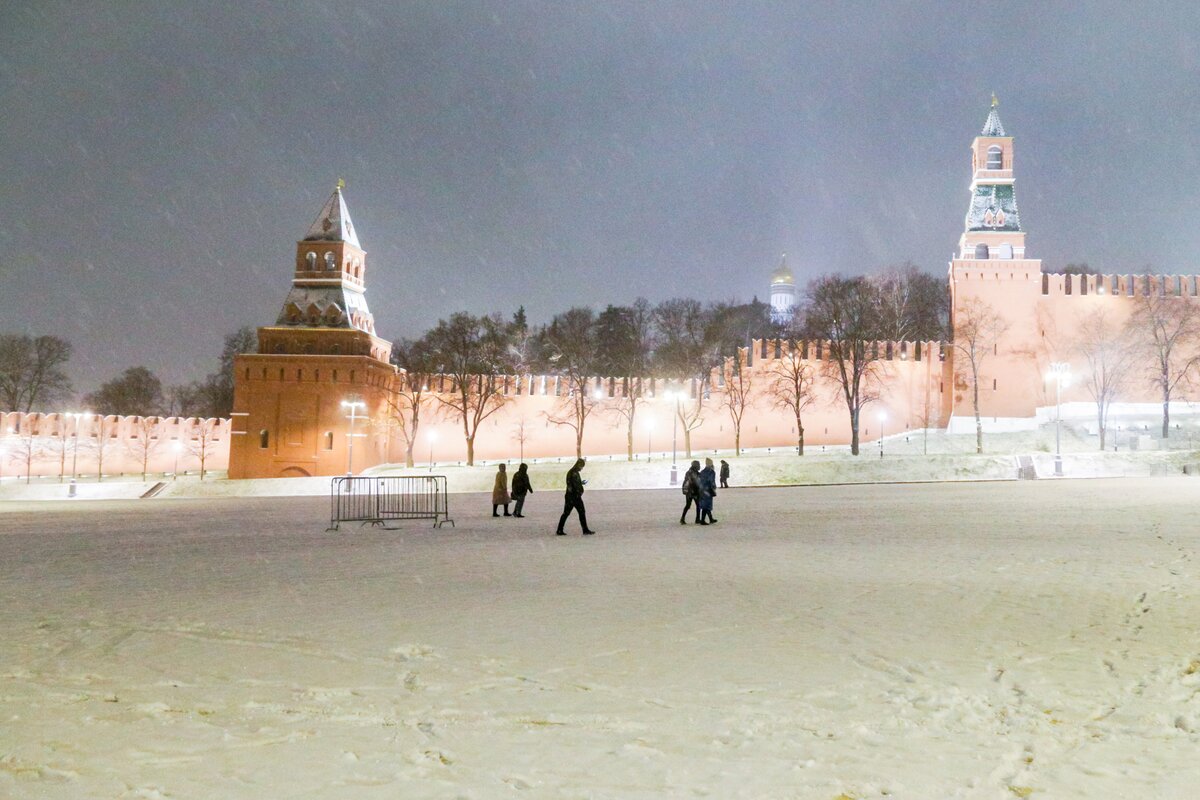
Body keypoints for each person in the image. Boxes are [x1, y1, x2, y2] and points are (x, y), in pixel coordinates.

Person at [555, 458, 595, 535]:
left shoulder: (572, 472)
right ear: (578, 465)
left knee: (567, 513)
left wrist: (580, 483)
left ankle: (560, 529)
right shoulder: (573, 473)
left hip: (571, 496)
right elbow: (573, 485)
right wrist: (579, 491)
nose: (582, 468)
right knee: (580, 512)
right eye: (581, 467)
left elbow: (574, 483)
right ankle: (585, 529)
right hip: (574, 497)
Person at [680, 460, 701, 524]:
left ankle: (682, 518)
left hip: (689, 492)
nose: (699, 467)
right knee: (698, 505)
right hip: (693, 492)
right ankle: (697, 519)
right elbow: (695, 482)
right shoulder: (693, 473)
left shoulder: (690, 472)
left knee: (688, 505)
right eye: (698, 465)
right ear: (695, 466)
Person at [698, 457, 717, 525]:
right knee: (707, 505)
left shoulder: (702, 472)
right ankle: (703, 520)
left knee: (705, 505)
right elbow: (711, 481)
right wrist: (714, 487)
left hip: (702, 490)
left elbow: (699, 481)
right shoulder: (711, 472)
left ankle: (711, 518)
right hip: (708, 490)